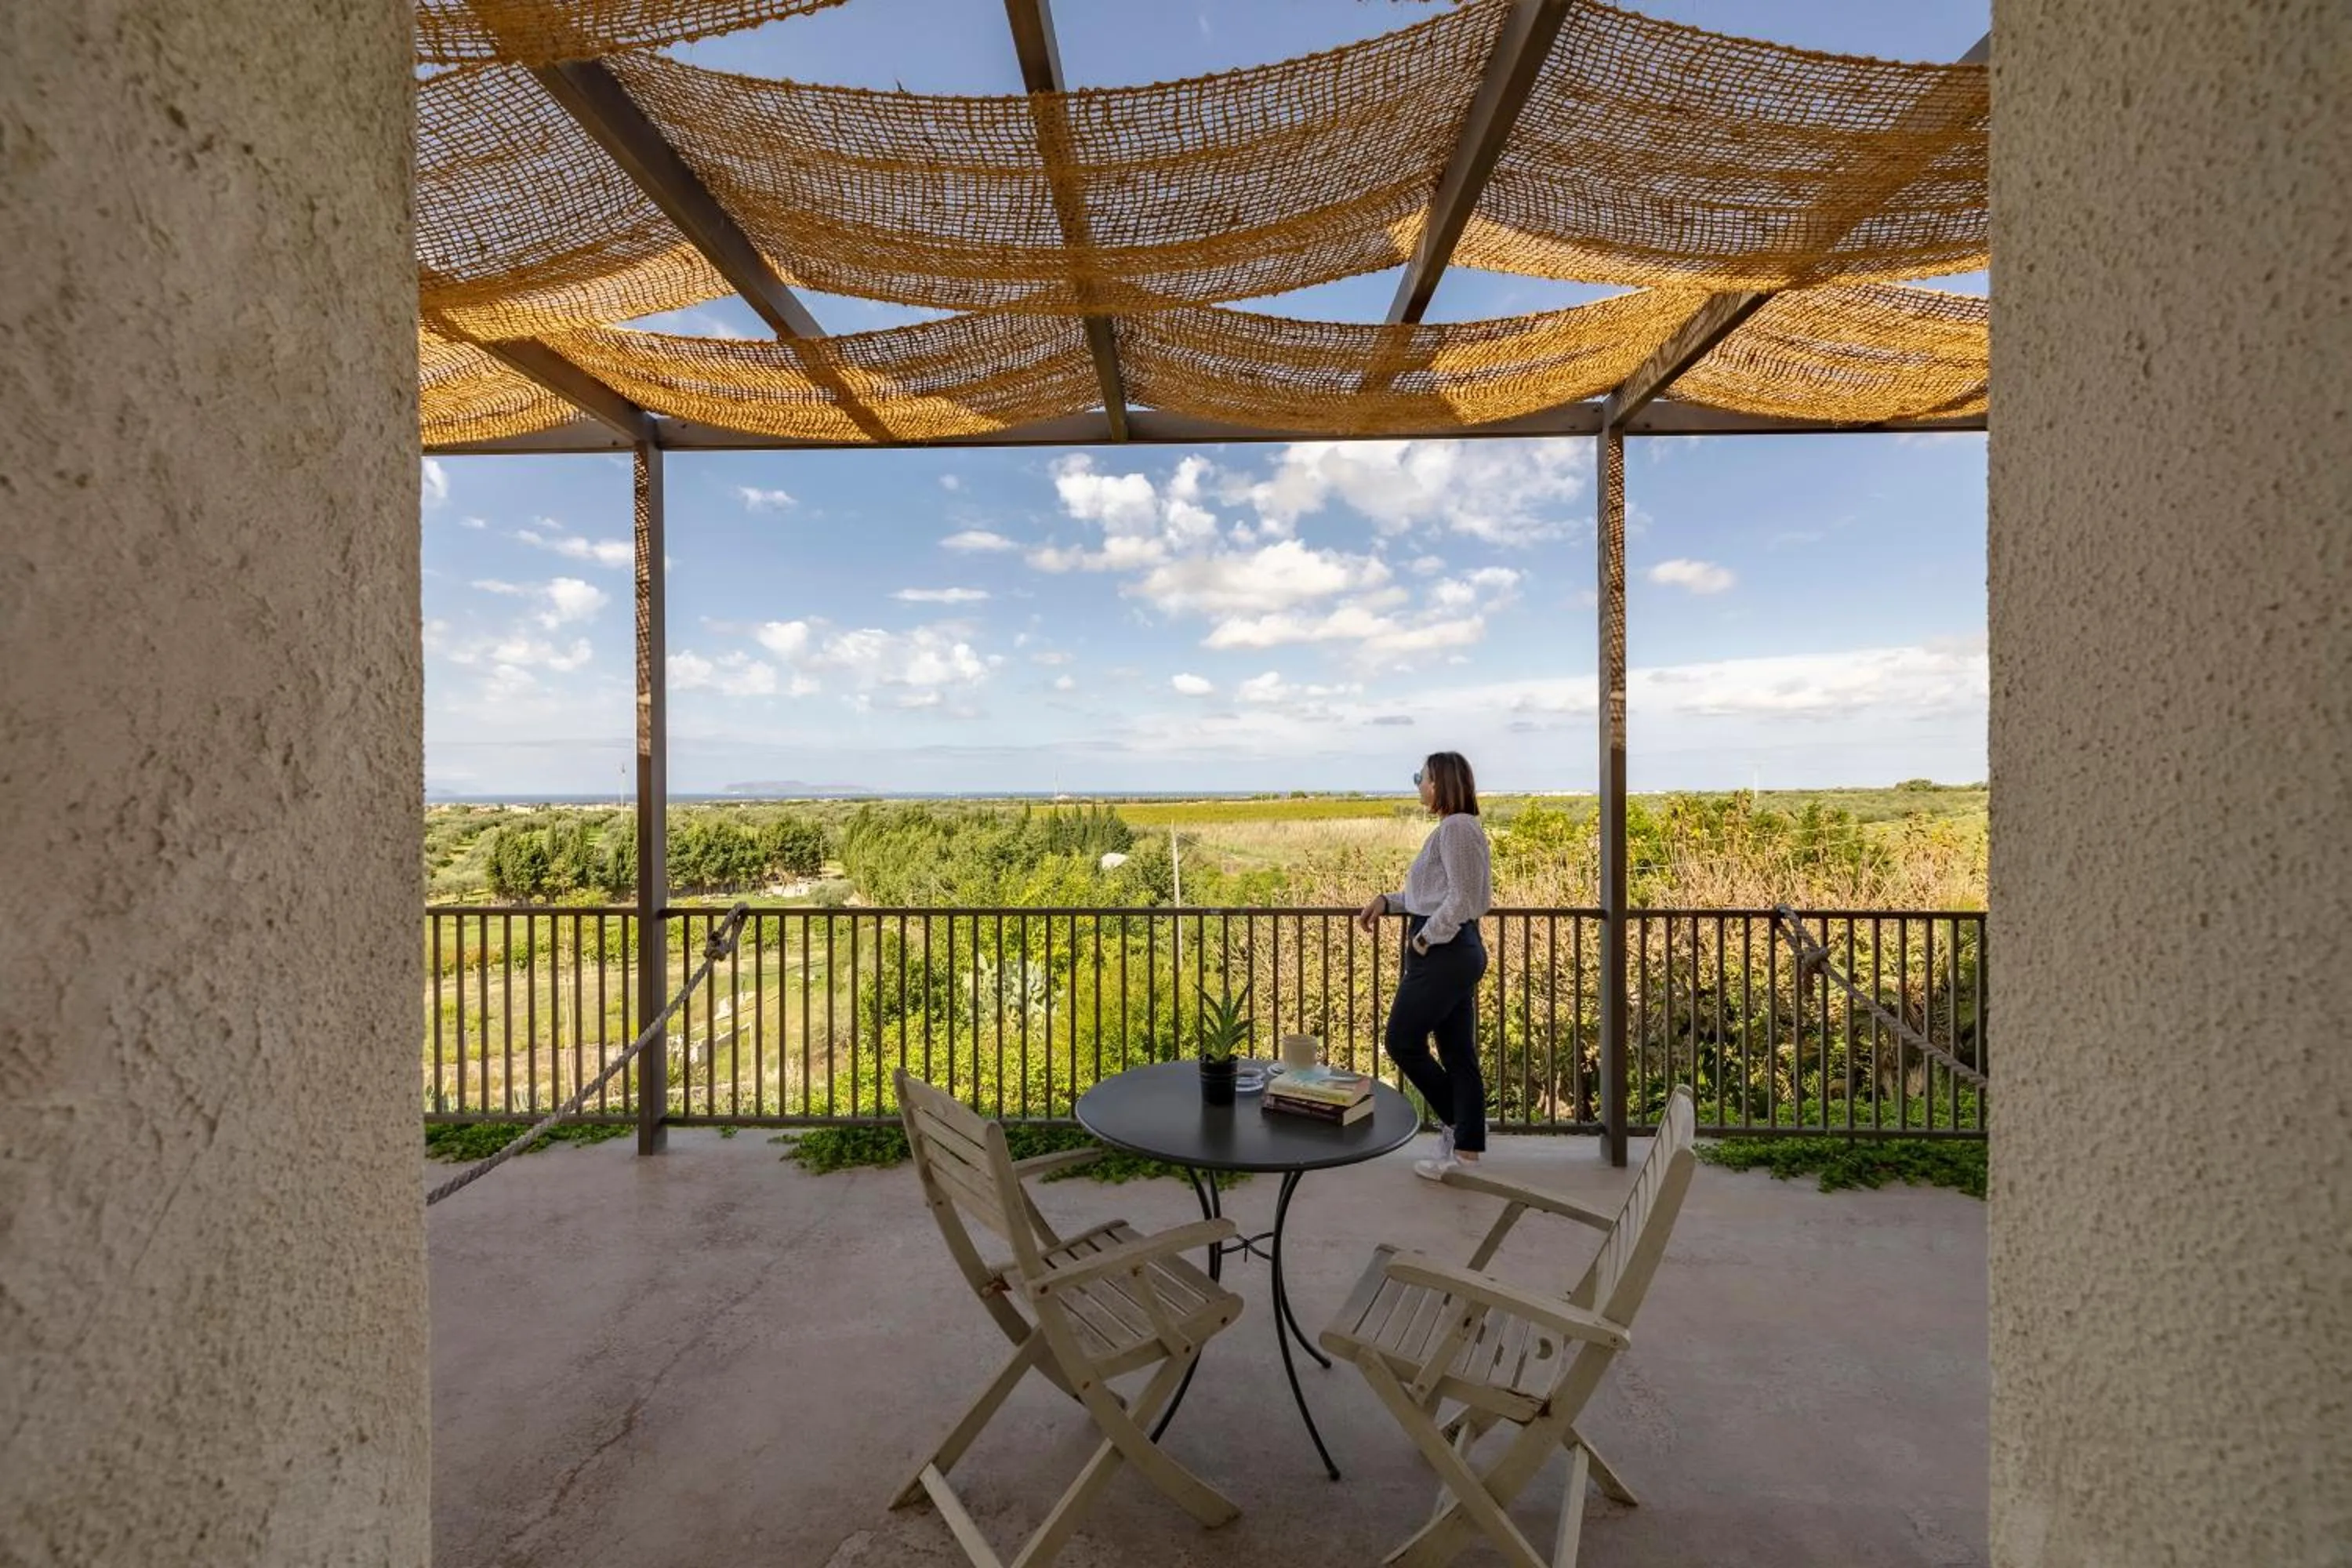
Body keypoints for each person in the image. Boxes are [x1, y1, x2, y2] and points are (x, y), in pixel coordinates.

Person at [1356, 751, 1493, 1180]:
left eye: (1423, 777)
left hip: (1445, 952)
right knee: (1457, 1052)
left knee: (1401, 1040)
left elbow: (1463, 899)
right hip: (1451, 950)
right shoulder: (1455, 828)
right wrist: (1388, 901)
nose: (1418, 784)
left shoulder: (1456, 828)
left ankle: (1459, 1126)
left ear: (1440, 784)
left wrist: (1422, 939)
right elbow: (1431, 895)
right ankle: (1465, 1150)